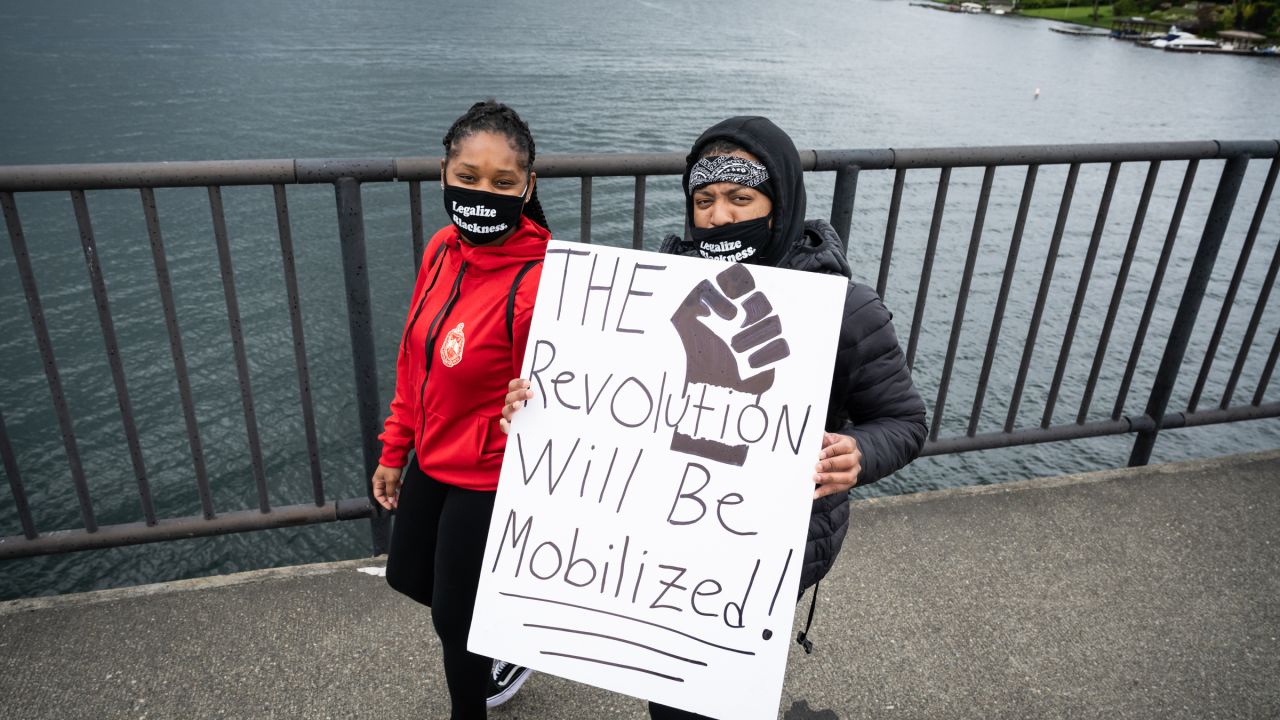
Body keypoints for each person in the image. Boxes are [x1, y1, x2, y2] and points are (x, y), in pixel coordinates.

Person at [502, 116, 927, 720]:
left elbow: (904, 423)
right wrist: (542, 404)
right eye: (704, 201)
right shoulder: (657, 287)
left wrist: (857, 454)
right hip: (671, 530)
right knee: (672, 694)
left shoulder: (842, 306)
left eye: (740, 197)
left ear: (779, 206)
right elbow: (609, 394)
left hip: (777, 539)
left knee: (714, 694)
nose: (720, 216)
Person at [373, 100, 547, 720]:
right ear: (444, 173)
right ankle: (505, 634)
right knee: (408, 578)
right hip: (434, 453)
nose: (483, 194)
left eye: (503, 183)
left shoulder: (542, 280)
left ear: (528, 186)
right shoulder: (442, 248)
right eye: (467, 177)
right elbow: (414, 356)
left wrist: (531, 399)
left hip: (495, 470)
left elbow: (569, 396)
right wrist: (396, 446)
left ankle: (473, 701)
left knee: (454, 617)